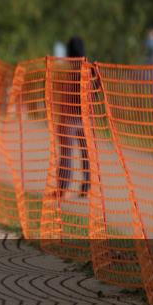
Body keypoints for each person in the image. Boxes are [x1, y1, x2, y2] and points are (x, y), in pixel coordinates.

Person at [56, 35, 89, 198]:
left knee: (67, 154)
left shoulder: (71, 69)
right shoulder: (88, 69)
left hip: (70, 118)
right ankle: (87, 185)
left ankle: (62, 188)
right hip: (86, 118)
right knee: (86, 153)